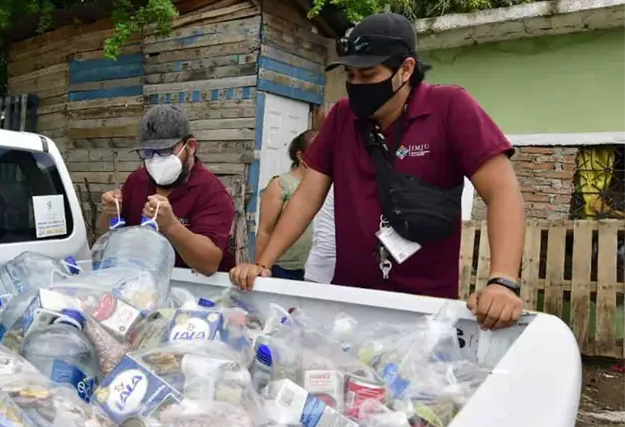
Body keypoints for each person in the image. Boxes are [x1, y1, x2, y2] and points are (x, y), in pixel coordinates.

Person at [230, 13, 527, 330]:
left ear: (406, 69)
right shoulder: (343, 117)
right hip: (351, 306)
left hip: (423, 312)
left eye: (368, 75)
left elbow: (503, 192)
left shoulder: (450, 108)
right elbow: (307, 196)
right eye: (351, 75)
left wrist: (503, 281)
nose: (356, 85)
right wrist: (264, 262)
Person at [100, 104, 236, 275]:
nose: (156, 161)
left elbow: (208, 264)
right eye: (149, 152)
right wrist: (110, 212)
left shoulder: (211, 193)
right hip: (141, 280)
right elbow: (106, 236)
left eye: (165, 150)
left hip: (194, 289)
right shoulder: (137, 180)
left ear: (191, 146)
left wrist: (172, 226)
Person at [256, 130, 335, 283]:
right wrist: (261, 267)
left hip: (313, 269)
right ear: (300, 156)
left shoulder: (329, 185)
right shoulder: (281, 184)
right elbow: (264, 230)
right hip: (282, 268)